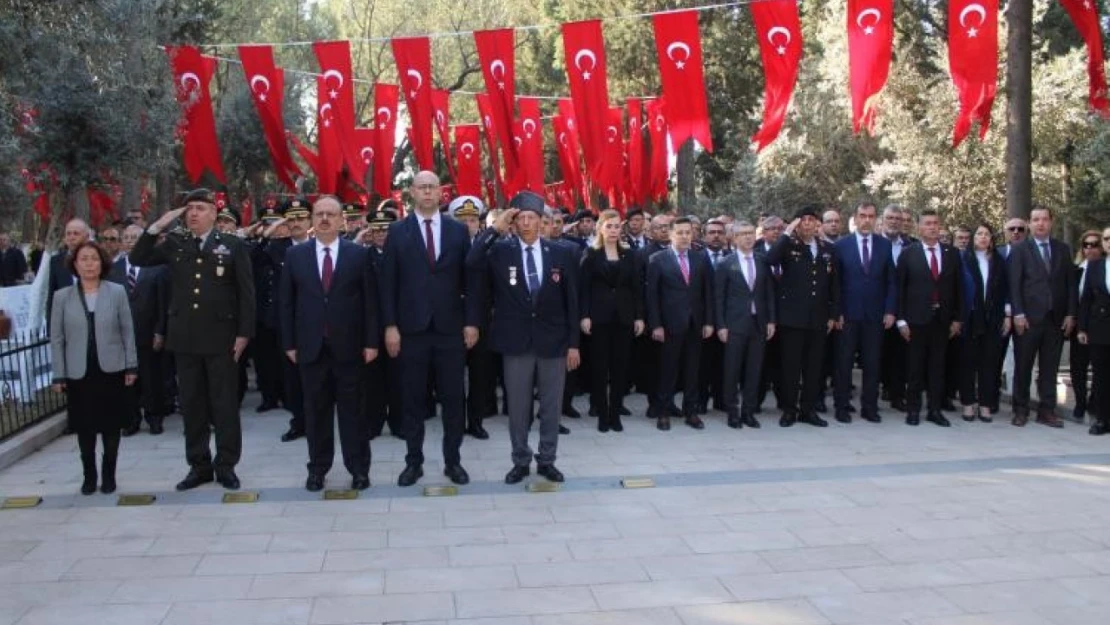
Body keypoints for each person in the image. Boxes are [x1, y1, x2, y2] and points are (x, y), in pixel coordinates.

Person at [129, 188, 255, 491]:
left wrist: (244, 334)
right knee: (193, 406)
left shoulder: (232, 245)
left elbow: (246, 293)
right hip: (185, 339)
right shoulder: (174, 243)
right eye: (189, 209)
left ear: (214, 213)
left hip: (222, 338)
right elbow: (139, 257)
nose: (193, 214)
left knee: (224, 406)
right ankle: (199, 466)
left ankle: (226, 465)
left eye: (200, 208)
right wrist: (158, 225)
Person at [466, 192, 580, 483]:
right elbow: (472, 261)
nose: (528, 223)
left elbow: (573, 302)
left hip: (553, 342)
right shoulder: (501, 251)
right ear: (513, 222)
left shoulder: (562, 253)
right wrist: (495, 229)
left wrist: (573, 344)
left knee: (552, 406)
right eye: (521, 218)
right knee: (517, 407)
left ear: (543, 222)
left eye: (533, 218)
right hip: (516, 342)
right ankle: (520, 459)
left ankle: (547, 459)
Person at [379, 171, 479, 487]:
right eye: (421, 187)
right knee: (412, 400)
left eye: (432, 187)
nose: (426, 192)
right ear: (412, 192)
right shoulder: (397, 231)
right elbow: (388, 284)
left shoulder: (457, 230)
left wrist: (472, 321)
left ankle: (453, 461)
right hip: (411, 330)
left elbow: (471, 282)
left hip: (450, 329)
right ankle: (413, 462)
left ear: (440, 192)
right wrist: (390, 326)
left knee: (453, 398)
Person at [280, 197, 378, 492]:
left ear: (341, 221)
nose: (324, 219)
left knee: (353, 414)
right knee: (315, 413)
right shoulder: (296, 256)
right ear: (312, 219)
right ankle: (318, 469)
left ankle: (359, 469)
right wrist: (289, 343)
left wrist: (371, 342)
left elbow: (370, 303)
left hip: (349, 348)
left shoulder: (358, 255)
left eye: (330, 214)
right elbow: (286, 303)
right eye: (319, 214)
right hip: (310, 348)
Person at [49, 242, 137, 495]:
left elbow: (127, 330)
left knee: (111, 425)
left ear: (102, 263)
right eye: (84, 259)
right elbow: (57, 338)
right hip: (79, 372)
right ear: (75, 265)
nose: (89, 264)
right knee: (85, 427)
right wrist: (59, 373)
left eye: (94, 259)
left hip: (111, 369)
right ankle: (89, 475)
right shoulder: (62, 297)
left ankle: (109, 474)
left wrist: (131, 366)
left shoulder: (116, 292)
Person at [765, 206, 840, 428]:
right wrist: (787, 233)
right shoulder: (789, 246)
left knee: (814, 367)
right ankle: (789, 409)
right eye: (803, 220)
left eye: (812, 220)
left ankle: (808, 410)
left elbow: (834, 285)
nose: (808, 224)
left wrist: (833, 314)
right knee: (791, 366)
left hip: (818, 318)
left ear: (818, 224)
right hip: (792, 318)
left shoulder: (827, 249)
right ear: (797, 224)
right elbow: (769, 259)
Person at [1008, 205, 1076, 427]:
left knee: (1050, 368)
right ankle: (1020, 409)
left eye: (1044, 219)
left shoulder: (1063, 250)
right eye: (1036, 219)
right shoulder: (1020, 249)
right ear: (1029, 223)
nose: (1040, 223)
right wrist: (1017, 313)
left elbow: (1070, 285)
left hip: (1055, 319)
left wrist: (1070, 314)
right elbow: (1014, 284)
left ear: (1051, 222)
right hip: (1027, 319)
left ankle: (1047, 410)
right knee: (1023, 366)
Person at [896, 209, 964, 427]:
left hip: (942, 320)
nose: (932, 227)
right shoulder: (908, 253)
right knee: (915, 367)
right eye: (927, 223)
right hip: (916, 319)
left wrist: (957, 319)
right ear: (919, 227)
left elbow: (958, 289)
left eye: (935, 223)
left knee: (938, 367)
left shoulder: (952, 253)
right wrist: (901, 320)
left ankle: (934, 410)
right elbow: (900, 289)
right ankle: (913, 409)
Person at [646, 216, 714, 430]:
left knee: (692, 370)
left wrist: (709, 322)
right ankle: (664, 410)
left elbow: (708, 293)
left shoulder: (701, 258)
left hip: (695, 323)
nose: (685, 236)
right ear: (671, 234)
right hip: (669, 324)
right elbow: (652, 295)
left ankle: (691, 411)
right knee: (668, 369)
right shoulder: (658, 259)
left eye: (688, 232)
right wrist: (655, 324)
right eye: (680, 232)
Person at [580, 209, 644, 432]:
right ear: (600, 228)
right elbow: (584, 289)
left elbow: (636, 288)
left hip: (624, 319)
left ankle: (615, 413)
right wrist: (585, 315)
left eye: (617, 226)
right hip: (598, 319)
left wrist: (639, 317)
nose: (614, 230)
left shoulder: (630, 255)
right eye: (609, 226)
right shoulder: (591, 254)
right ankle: (601, 413)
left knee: (620, 369)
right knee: (599, 369)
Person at [833, 202, 896, 424]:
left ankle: (870, 407)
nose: (866, 220)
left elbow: (891, 281)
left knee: (872, 363)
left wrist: (890, 310)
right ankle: (841, 406)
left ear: (875, 218)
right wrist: (837, 311)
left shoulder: (884, 245)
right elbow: (835, 283)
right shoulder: (841, 245)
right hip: (848, 315)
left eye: (870, 216)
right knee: (844, 363)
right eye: (862, 216)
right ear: (855, 218)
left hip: (875, 315)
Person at [109, 225, 170, 436]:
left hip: (148, 332)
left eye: (135, 237)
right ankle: (131, 420)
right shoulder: (112, 269)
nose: (130, 241)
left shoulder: (156, 267)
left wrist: (160, 331)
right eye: (126, 237)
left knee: (151, 378)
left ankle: (154, 417)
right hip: (122, 336)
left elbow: (163, 302)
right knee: (127, 380)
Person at [715, 221, 775, 429]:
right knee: (732, 370)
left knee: (754, 370)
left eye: (750, 233)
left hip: (758, 323)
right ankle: (732, 411)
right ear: (734, 238)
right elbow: (719, 297)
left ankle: (749, 411)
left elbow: (768, 294)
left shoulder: (762, 261)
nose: (748, 237)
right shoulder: (725, 263)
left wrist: (771, 320)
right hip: (734, 324)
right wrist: (721, 325)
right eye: (743, 234)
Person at [450, 196, 495, 439]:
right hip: (453, 319)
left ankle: (476, 421)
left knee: (480, 375)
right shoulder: (448, 245)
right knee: (454, 376)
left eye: (472, 220)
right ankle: (457, 421)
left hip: (482, 318)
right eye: (463, 220)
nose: (468, 224)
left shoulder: (490, 246)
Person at [957, 223, 1010, 423]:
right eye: (979, 233)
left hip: (993, 319)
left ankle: (986, 405)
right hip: (970, 319)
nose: (983, 237)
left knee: (989, 363)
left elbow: (1005, 289)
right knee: (968, 363)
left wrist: (1007, 314)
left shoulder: (999, 261)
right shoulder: (963, 259)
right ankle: (968, 404)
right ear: (973, 238)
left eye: (987, 234)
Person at [879, 205, 913, 411]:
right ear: (882, 220)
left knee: (901, 352)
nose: (893, 222)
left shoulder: (910, 246)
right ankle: (881, 387)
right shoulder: (874, 243)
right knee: (877, 352)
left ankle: (897, 394)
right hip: (877, 306)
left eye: (897, 219)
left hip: (903, 307)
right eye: (889, 218)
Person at [1080, 227, 1110, 435]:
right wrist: (1082, 327)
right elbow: (1086, 300)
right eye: (1107, 238)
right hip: (1100, 328)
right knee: (1101, 376)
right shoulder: (1095, 266)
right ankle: (1102, 419)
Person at [1071, 230, 1103, 422]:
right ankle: (1080, 402)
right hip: (1078, 325)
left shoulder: (1104, 269)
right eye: (1086, 245)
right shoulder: (1077, 270)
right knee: (1078, 367)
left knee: (1099, 368)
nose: (1090, 249)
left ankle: (1094, 403)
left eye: (1094, 244)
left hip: (1099, 326)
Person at [699, 218, 730, 414]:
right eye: (712, 232)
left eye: (719, 232)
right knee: (702, 363)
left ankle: (722, 400)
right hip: (704, 319)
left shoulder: (734, 257)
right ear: (704, 235)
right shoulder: (696, 257)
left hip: (728, 319)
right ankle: (700, 401)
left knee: (725, 363)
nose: (716, 235)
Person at [47, 219, 90, 322]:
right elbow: (52, 296)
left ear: (86, 237)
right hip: (66, 320)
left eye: (76, 234)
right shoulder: (56, 261)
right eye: (68, 234)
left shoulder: (95, 258)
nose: (71, 237)